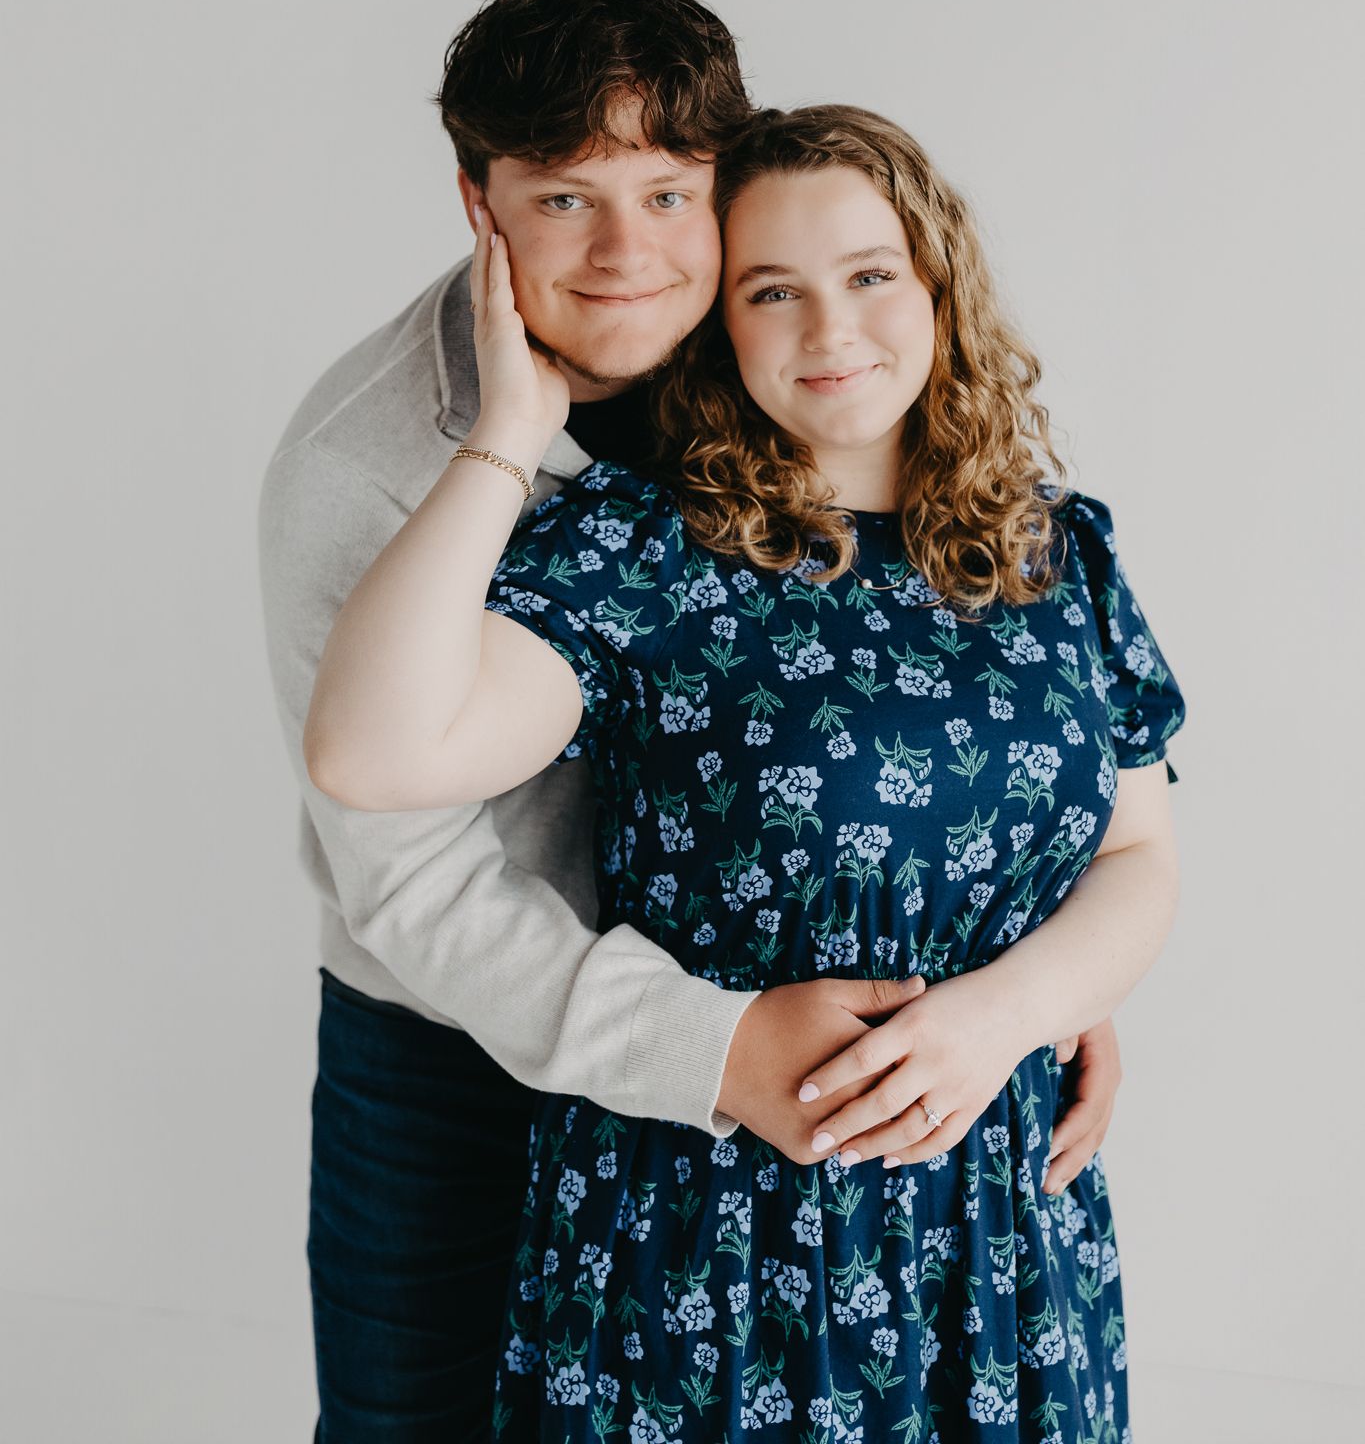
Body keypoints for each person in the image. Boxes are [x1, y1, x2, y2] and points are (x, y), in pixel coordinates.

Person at [304, 100, 1184, 1441]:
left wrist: (1003, 1015)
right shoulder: (645, 548)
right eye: (774, 291)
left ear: (937, 283)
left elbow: (1135, 857)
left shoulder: (1055, 554)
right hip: (711, 1226)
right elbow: (371, 754)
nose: (831, 332)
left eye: (869, 276)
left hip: (993, 1226)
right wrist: (503, 434)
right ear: (723, 320)